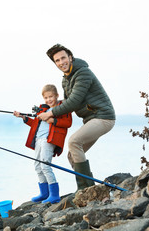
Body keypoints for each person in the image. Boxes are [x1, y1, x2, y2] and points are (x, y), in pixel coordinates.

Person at [37, 44, 116, 193]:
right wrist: (48, 111)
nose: (61, 62)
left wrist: (50, 114)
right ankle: (92, 190)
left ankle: (84, 190)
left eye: (63, 58)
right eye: (57, 60)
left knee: (74, 141)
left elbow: (74, 101)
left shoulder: (83, 73)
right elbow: (68, 105)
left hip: (103, 117)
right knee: (72, 154)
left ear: (70, 58)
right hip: (91, 120)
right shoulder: (65, 80)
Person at [13, 84, 72, 204]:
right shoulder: (44, 110)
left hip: (48, 140)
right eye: (46, 97)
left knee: (45, 165)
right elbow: (35, 124)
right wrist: (23, 117)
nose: (48, 100)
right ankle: (44, 193)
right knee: (37, 166)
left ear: (57, 96)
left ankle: (54, 194)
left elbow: (67, 123)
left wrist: (52, 120)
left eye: (51, 96)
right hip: (38, 140)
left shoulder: (62, 108)